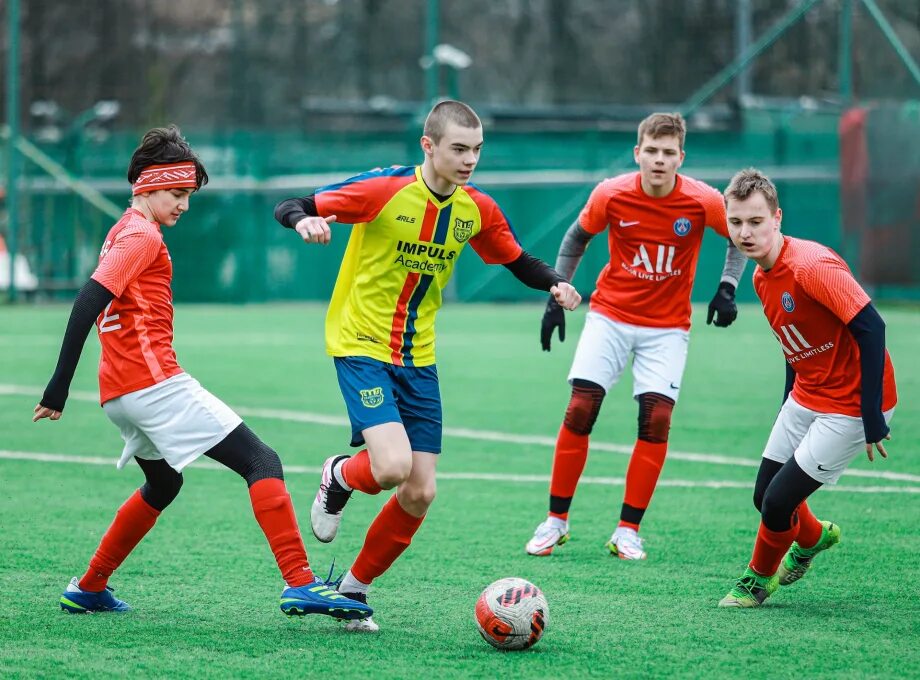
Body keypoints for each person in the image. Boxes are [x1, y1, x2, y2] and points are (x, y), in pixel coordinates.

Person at [35, 125, 371, 621]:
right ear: (146, 186)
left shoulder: (122, 230)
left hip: (120, 393)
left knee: (164, 485)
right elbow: (89, 299)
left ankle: (89, 586)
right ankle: (300, 582)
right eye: (177, 193)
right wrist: (58, 385)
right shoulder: (141, 235)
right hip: (153, 384)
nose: (184, 204)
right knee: (262, 461)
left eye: (188, 195)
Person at [274, 100, 581, 631]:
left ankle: (353, 591)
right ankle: (338, 477)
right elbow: (292, 203)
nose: (469, 160)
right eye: (459, 149)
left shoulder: (475, 209)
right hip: (361, 342)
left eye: (477, 150)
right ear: (429, 145)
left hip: (419, 357)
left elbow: (515, 258)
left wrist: (554, 281)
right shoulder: (384, 190)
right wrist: (305, 223)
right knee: (390, 467)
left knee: (420, 491)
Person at [525, 112, 747, 560]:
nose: (659, 160)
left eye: (669, 153)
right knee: (581, 406)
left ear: (681, 157)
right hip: (609, 316)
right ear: (637, 153)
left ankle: (627, 530)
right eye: (652, 151)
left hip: (667, 329)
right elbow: (575, 239)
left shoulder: (702, 200)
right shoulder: (611, 193)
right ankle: (555, 522)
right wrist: (556, 293)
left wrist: (727, 287)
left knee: (657, 420)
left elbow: (740, 235)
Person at [718, 168, 896, 607]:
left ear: (777, 217)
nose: (746, 232)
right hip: (808, 393)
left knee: (779, 502)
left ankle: (757, 581)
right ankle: (814, 537)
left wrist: (872, 416)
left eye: (756, 221)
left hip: (852, 405)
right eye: (736, 222)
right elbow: (791, 343)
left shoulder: (810, 266)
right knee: (764, 495)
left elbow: (872, 328)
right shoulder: (761, 277)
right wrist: (787, 405)